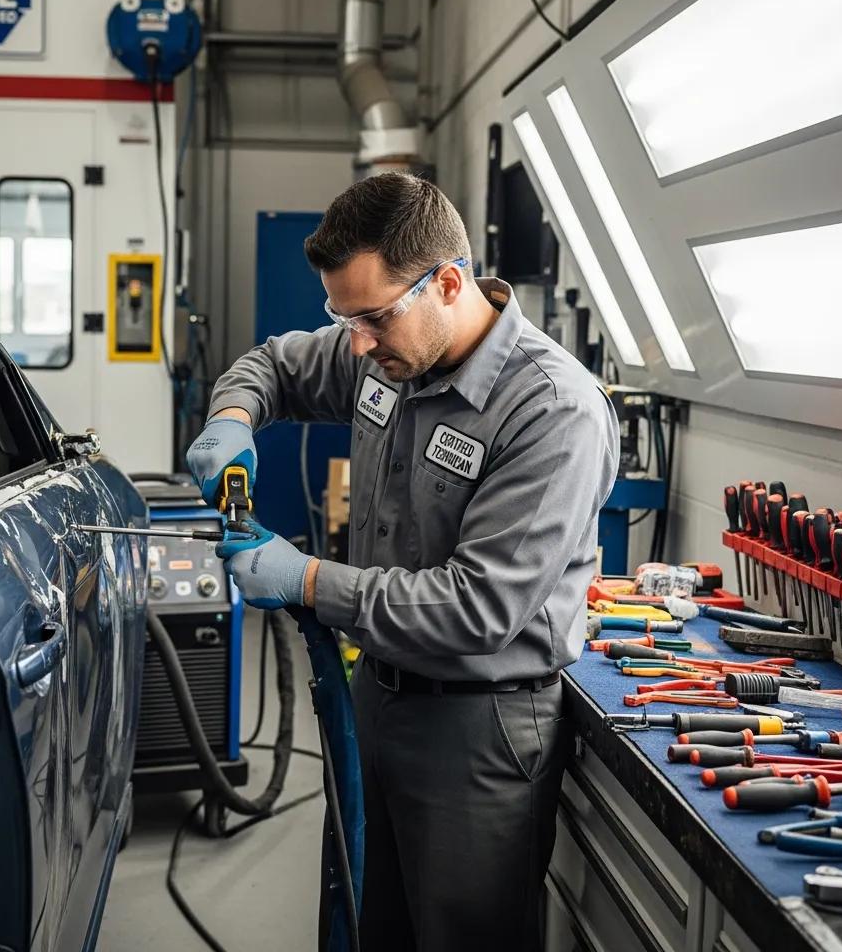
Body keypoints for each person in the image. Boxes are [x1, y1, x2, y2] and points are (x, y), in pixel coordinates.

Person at [186, 172, 619, 951]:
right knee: (360, 919)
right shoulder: (385, 349)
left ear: (447, 283)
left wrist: (308, 579)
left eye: (373, 317)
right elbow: (276, 366)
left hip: (479, 729)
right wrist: (231, 419)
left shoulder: (551, 410)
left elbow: (478, 607)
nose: (355, 342)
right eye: (341, 317)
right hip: (376, 696)